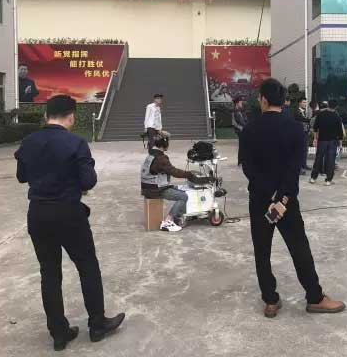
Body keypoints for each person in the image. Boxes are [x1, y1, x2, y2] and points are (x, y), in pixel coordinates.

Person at [14, 95, 124, 351]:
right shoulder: (76, 143)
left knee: (49, 273)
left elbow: (22, 176)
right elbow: (88, 181)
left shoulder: (29, 142)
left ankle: (59, 333)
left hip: (38, 214)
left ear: (46, 115)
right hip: (69, 214)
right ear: (72, 116)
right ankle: (97, 325)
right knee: (87, 266)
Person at [240, 78, 345, 318]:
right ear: (283, 100)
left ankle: (270, 300)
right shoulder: (295, 128)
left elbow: (248, 168)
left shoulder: (249, 129)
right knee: (299, 248)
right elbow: (294, 168)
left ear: (263, 99)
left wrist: (268, 194)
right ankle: (315, 298)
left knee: (262, 251)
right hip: (286, 202)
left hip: (259, 200)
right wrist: (282, 198)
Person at [140, 133, 212, 231]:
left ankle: (178, 217)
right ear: (164, 144)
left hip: (149, 187)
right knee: (183, 196)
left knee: (179, 188)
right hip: (155, 190)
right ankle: (168, 222)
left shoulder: (151, 155)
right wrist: (189, 174)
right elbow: (174, 172)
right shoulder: (160, 158)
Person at [310, 100, 344, 186]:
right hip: (333, 141)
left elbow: (315, 128)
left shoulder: (321, 115)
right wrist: (340, 144)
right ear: (336, 107)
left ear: (328, 105)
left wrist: (315, 139)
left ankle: (313, 178)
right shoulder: (337, 117)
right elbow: (340, 132)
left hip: (322, 140)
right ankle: (328, 180)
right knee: (331, 160)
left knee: (318, 158)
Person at [295, 98, 311, 174]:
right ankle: (300, 167)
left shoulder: (305, 112)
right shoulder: (297, 112)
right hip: (299, 134)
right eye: (304, 102)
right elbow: (302, 120)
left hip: (305, 133)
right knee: (300, 150)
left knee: (305, 150)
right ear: (299, 103)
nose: (305, 104)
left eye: (305, 102)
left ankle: (304, 165)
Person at [232, 96, 248, 166]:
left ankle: (241, 161)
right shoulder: (234, 111)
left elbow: (245, 119)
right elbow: (234, 123)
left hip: (243, 129)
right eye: (240, 102)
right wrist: (242, 128)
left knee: (243, 145)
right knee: (242, 145)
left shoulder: (241, 110)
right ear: (237, 103)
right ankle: (241, 161)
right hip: (240, 130)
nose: (241, 103)